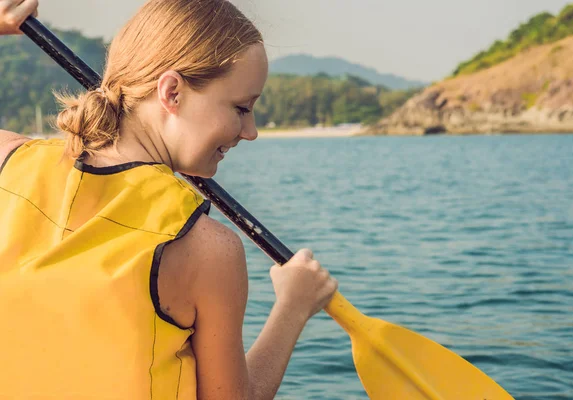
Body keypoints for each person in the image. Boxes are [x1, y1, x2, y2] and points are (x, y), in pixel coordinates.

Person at [0, 0, 338, 399]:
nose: (251, 131)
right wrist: (293, 308)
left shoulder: (8, 160)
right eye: (241, 108)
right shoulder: (206, 250)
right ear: (172, 92)